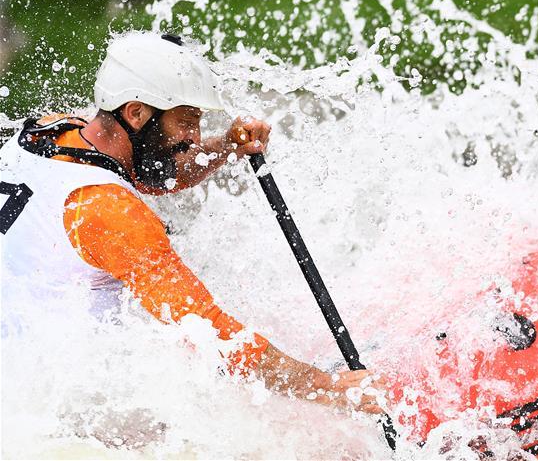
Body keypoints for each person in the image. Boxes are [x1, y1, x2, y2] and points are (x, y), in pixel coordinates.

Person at [0, 31, 384, 416]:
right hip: (54, 409)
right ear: (136, 112)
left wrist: (227, 146)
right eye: (186, 122)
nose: (194, 136)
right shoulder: (108, 211)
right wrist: (327, 388)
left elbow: (154, 173)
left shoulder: (51, 131)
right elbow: (210, 334)